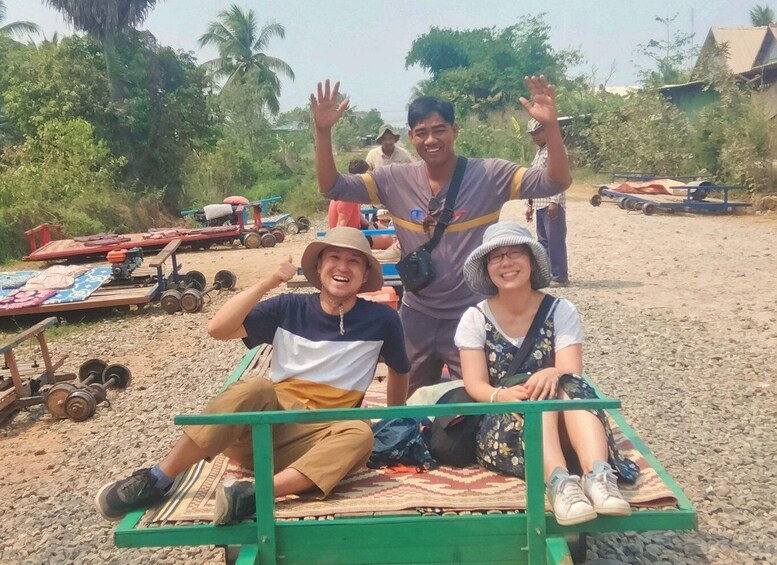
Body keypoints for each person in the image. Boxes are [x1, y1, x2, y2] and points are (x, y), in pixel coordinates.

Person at [94, 228, 411, 525]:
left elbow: (399, 369)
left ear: (366, 273)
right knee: (255, 387)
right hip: (265, 430)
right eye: (335, 258)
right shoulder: (290, 306)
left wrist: (395, 421)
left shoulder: (382, 319)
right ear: (319, 266)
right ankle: (156, 479)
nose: (343, 267)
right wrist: (269, 281)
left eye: (354, 261)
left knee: (360, 432)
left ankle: (255, 495)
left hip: (322, 439)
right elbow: (218, 328)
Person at [310, 77, 571, 394]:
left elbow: (556, 182)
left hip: (472, 314)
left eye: (439, 130)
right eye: (421, 132)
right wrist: (323, 132)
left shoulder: (490, 175)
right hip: (416, 315)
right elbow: (331, 186)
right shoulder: (394, 179)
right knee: (408, 400)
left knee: (477, 401)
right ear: (411, 136)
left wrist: (551, 127)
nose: (430, 140)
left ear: (455, 131)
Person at [454, 221, 638, 526]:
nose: (506, 263)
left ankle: (599, 475)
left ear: (531, 261)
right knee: (536, 399)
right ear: (487, 268)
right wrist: (501, 396)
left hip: (564, 415)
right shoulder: (474, 318)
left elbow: (571, 370)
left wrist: (551, 372)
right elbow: (475, 383)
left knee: (566, 386)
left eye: (515, 253)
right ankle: (559, 483)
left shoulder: (560, 310)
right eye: (496, 257)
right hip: (509, 422)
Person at [524, 118, 569, 286]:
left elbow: (560, 176)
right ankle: (548, 273)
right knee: (542, 240)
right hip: (539, 203)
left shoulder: (556, 150)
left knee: (555, 240)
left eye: (538, 133)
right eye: (532, 134)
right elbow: (534, 179)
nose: (535, 137)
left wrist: (554, 201)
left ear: (546, 131)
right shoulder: (539, 151)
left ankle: (560, 276)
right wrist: (529, 204)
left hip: (551, 203)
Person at [328, 159, 371, 229]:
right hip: (350, 235)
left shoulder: (348, 189)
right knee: (387, 237)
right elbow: (341, 225)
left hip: (355, 229)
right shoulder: (348, 196)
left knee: (382, 230)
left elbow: (355, 212)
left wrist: (368, 224)